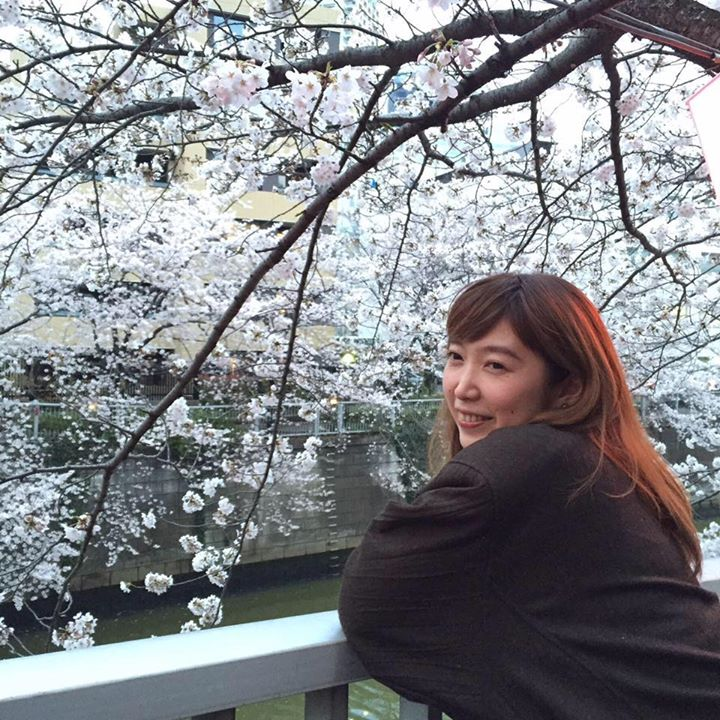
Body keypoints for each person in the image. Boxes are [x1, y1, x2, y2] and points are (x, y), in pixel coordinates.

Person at [338, 273, 720, 720]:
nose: (462, 387)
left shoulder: (531, 457)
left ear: (568, 386)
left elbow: (373, 599)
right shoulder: (602, 460)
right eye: (456, 357)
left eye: (496, 366)